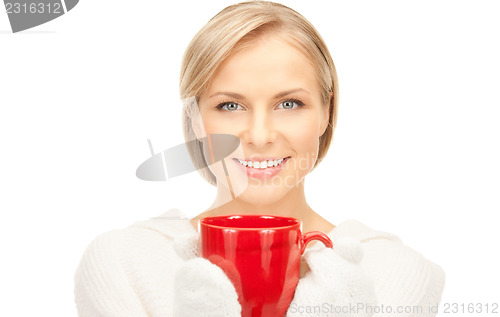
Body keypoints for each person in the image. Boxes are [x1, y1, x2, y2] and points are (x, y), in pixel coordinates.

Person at [74, 1, 445, 316]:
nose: (260, 135)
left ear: (325, 112)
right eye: (230, 105)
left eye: (289, 104)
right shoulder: (125, 262)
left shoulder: (392, 271)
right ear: (196, 118)